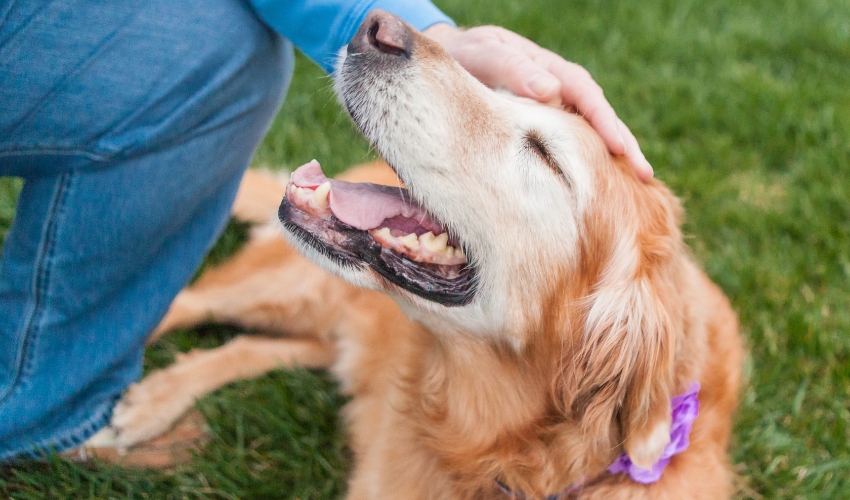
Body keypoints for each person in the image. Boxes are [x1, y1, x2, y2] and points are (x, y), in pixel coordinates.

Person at [0, 0, 652, 461]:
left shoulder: (625, 344)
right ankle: (52, 394)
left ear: (604, 341)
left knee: (222, 41)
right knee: (224, 50)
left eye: (540, 159)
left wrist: (431, 33)